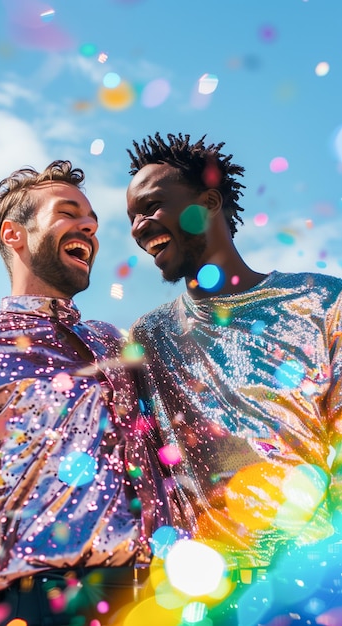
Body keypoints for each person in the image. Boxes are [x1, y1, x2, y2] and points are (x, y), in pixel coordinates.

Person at [124, 132, 342, 625]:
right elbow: (133, 468)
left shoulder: (322, 304)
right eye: (132, 218)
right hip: (203, 602)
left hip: (318, 594)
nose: (139, 227)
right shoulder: (149, 337)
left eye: (153, 206)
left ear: (209, 201)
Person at [0, 160, 150, 626]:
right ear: (14, 234)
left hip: (156, 599)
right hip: (43, 600)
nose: (88, 226)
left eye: (92, 221)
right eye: (69, 213)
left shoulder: (115, 343)